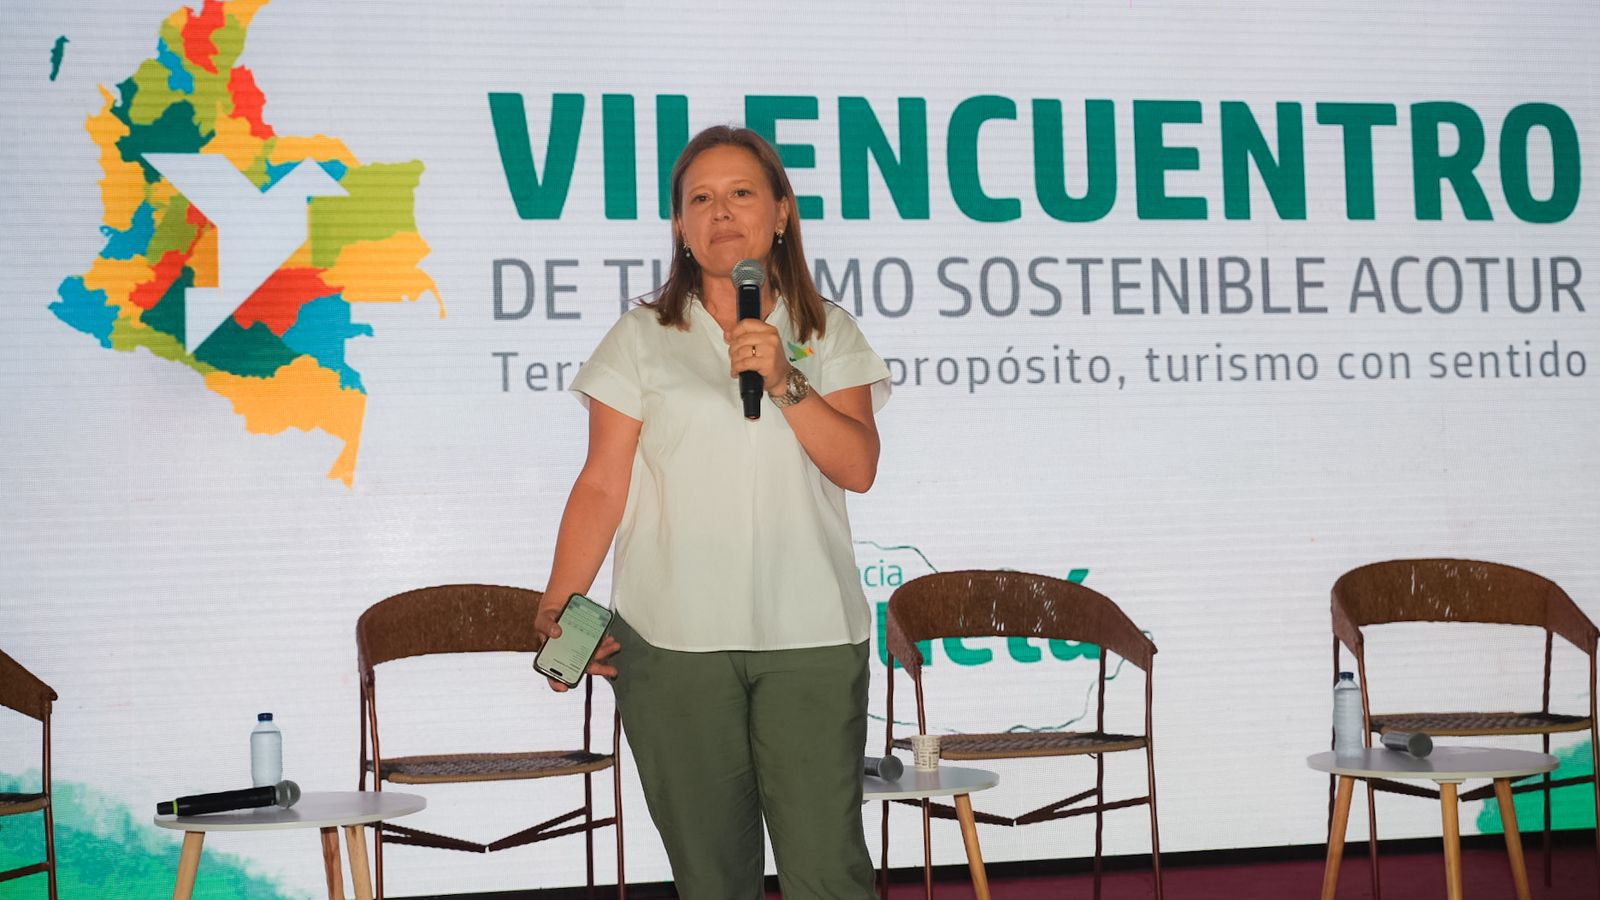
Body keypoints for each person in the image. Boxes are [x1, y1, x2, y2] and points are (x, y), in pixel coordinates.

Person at [536, 125, 889, 898]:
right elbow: (602, 483)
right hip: (673, 643)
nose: (720, 212)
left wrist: (786, 379)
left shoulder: (828, 331)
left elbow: (857, 466)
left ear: (782, 213)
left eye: (740, 194)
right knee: (711, 881)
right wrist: (560, 602)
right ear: (680, 225)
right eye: (700, 199)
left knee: (828, 874)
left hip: (811, 635)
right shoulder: (641, 336)